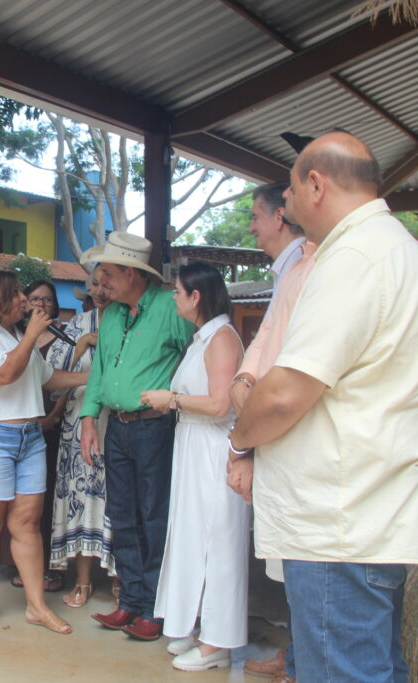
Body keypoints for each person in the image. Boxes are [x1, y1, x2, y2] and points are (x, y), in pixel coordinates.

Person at [229, 131, 418, 681]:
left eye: (289, 188)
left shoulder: (354, 256)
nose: (286, 201)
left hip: (341, 523)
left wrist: (239, 440)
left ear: (316, 184)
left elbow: (284, 394)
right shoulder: (396, 249)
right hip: (368, 514)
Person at [0, 271, 87, 634]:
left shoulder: (14, 333)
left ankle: (36, 606)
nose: (25, 301)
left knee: (27, 524)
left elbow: (45, 378)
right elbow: (2, 375)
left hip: (29, 437)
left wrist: (90, 378)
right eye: (16, 295)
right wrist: (30, 336)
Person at [79, 231, 194, 642]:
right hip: (118, 427)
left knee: (153, 517)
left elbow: (196, 357)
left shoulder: (171, 308)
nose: (102, 283)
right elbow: (100, 370)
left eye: (108, 274)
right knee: (123, 516)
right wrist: (89, 418)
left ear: (131, 273)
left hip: (155, 428)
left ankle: (154, 609)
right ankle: (130, 600)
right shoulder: (111, 314)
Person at [139, 262, 248, 672]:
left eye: (178, 291)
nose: (173, 297)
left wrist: (171, 400)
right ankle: (200, 625)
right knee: (193, 536)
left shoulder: (222, 338)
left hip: (211, 447)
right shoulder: (203, 337)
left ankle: (217, 641)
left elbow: (221, 404)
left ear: (196, 296)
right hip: (193, 444)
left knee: (217, 539)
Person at [231, 183, 315, 683]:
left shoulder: (308, 263)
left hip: (289, 433)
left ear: (280, 216)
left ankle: (301, 661)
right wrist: (245, 378)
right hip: (270, 428)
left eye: (255, 216)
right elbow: (264, 343)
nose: (251, 227)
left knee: (302, 564)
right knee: (290, 561)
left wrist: (243, 441)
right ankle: (297, 656)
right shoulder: (288, 269)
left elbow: (286, 362)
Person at [47, 273, 114, 608]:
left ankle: (121, 580)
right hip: (77, 427)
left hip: (116, 425)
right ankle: (83, 580)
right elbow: (50, 376)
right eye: (95, 285)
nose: (99, 291)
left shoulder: (133, 322)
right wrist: (82, 345)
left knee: (116, 500)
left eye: (107, 284)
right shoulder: (76, 325)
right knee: (80, 500)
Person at [12, 279, 64, 593]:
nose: (41, 304)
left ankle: (48, 566)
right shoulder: (16, 335)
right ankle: (19, 563)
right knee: (20, 501)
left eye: (47, 299)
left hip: (54, 424)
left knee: (46, 497)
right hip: (20, 425)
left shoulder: (66, 336)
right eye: (34, 298)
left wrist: (54, 416)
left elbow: (61, 378)